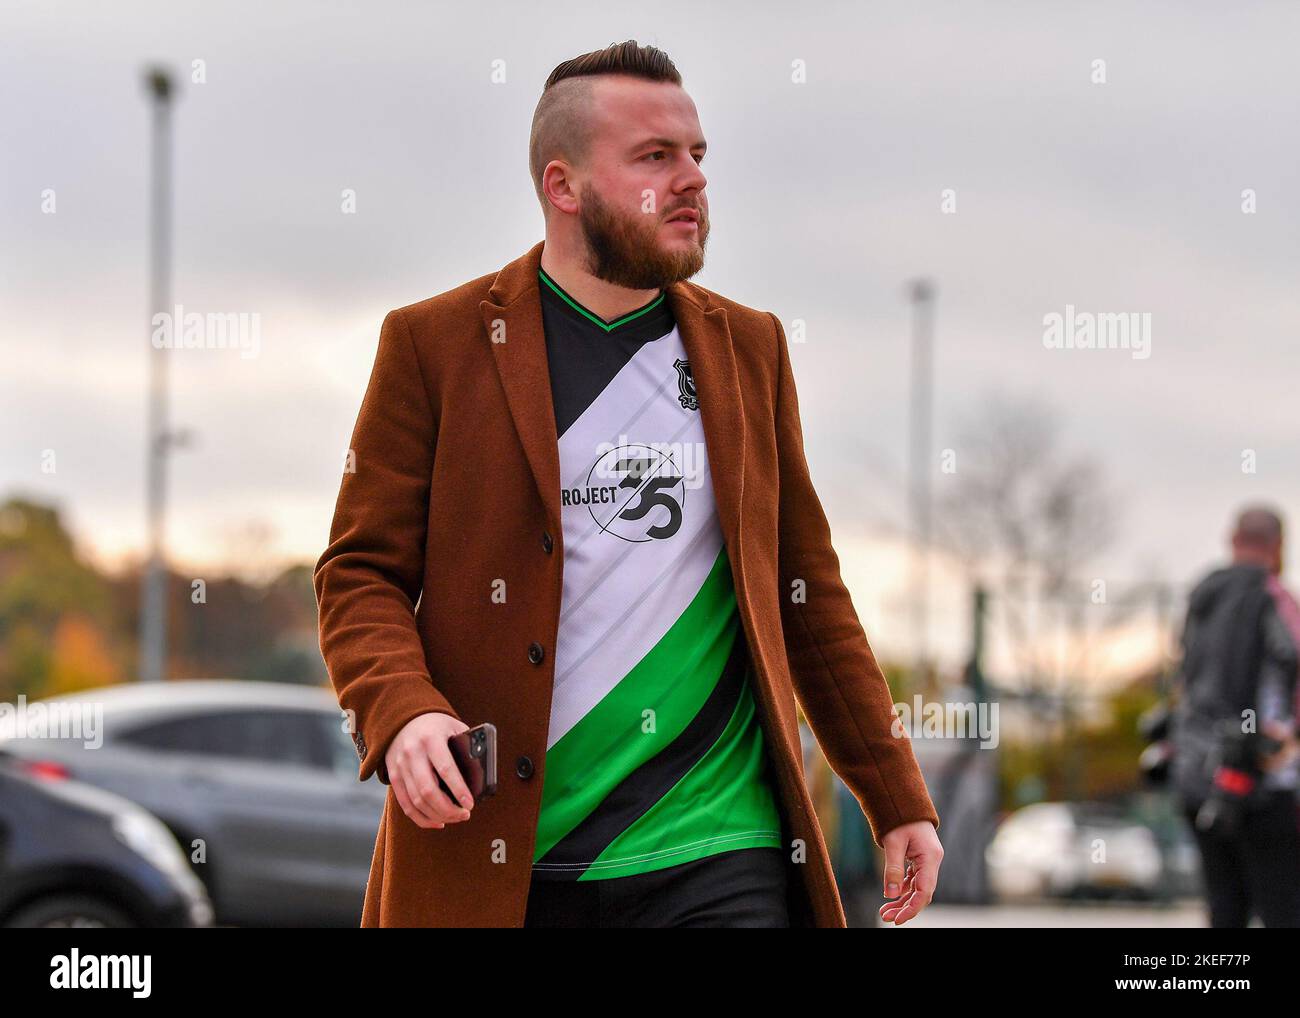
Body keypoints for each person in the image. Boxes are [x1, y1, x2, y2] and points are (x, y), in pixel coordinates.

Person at [314, 40, 942, 928]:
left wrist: (895, 792)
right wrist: (404, 713)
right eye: (655, 157)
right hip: (504, 854)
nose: (691, 179)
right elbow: (359, 572)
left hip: (718, 846)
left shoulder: (748, 349)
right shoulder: (437, 346)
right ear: (563, 186)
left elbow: (807, 590)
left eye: (698, 155)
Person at [1170, 505, 1300, 927]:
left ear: (1232, 539)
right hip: (1260, 776)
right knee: (1281, 904)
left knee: (1225, 905)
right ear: (1279, 546)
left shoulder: (1201, 598)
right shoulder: (1273, 597)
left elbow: (1183, 678)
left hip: (1197, 774)